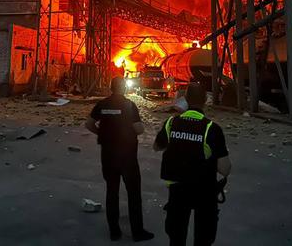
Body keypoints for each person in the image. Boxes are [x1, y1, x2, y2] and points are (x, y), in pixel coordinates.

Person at [154, 83, 231, 246]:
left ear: (186, 100)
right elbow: (225, 169)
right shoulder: (212, 129)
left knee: (176, 237)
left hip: (177, 191)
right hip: (204, 192)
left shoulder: (171, 123)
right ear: (205, 100)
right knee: (203, 238)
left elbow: (156, 146)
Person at [85, 76, 154, 242]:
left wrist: (102, 133)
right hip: (127, 156)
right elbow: (138, 129)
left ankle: (114, 232)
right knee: (134, 194)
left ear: (110, 88)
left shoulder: (102, 105)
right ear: (123, 88)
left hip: (108, 155)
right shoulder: (129, 105)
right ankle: (137, 232)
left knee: (112, 192)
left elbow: (89, 124)